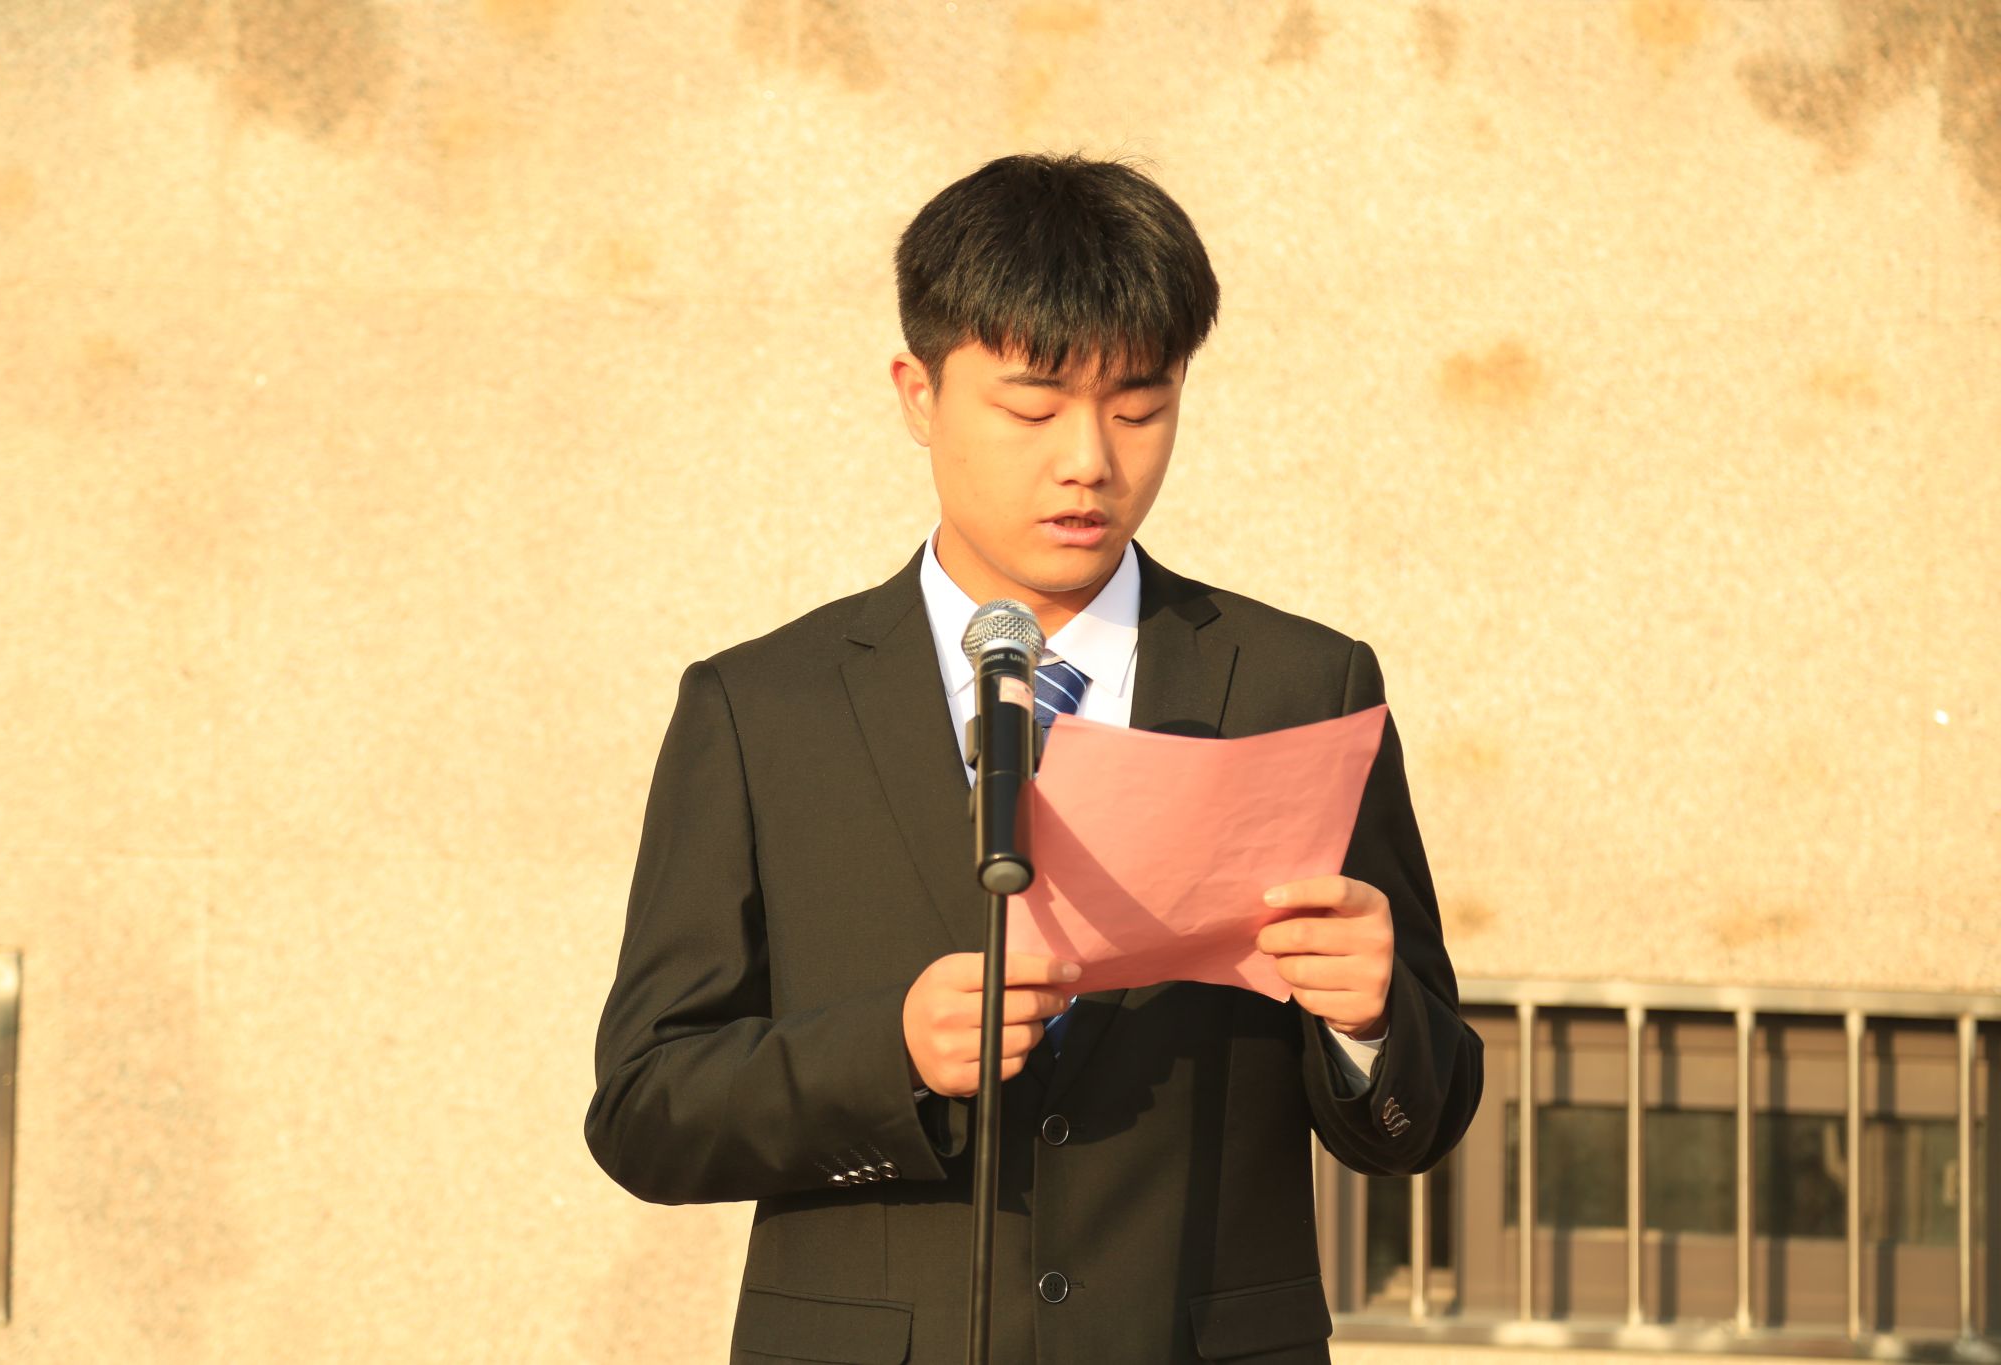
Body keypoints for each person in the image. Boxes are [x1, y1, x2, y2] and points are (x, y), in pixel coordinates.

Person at [585, 151, 1484, 1364]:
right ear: (917, 393)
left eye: (1139, 408)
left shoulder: (1297, 685)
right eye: (1030, 409)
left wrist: (1369, 1021)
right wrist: (891, 1057)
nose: (1089, 461)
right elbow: (644, 1110)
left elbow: (1416, 1119)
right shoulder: (760, 708)